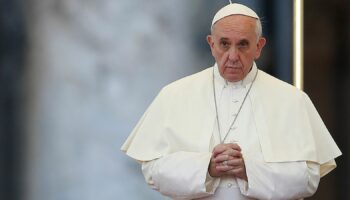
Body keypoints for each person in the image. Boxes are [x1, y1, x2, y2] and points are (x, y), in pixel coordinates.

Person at [121, 3, 341, 200]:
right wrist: (207, 167)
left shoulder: (292, 100)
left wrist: (249, 170)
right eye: (224, 44)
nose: (233, 56)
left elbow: (309, 179)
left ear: (259, 46)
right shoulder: (174, 94)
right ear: (211, 44)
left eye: (243, 44)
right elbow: (153, 172)